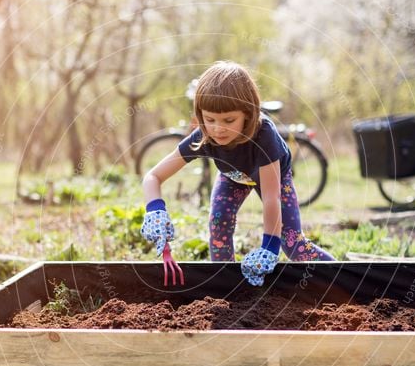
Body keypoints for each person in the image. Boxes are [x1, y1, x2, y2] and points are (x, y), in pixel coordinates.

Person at [140, 61, 335, 286]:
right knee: (218, 223)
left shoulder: (264, 136)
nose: (218, 129)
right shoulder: (204, 136)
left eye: (229, 120)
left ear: (248, 114)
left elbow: (272, 198)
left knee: (292, 244)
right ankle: (226, 288)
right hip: (233, 176)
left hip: (272, 177)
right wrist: (155, 211)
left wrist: (269, 246)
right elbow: (153, 177)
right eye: (210, 119)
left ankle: (342, 279)